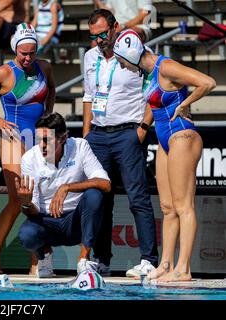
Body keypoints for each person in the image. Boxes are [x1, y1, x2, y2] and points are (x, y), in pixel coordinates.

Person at [113, 29, 216, 282]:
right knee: (168, 208)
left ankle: (184, 268)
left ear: (132, 55)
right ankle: (166, 264)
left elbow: (207, 82)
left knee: (184, 206)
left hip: (182, 136)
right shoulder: (148, 74)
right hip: (164, 140)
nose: (121, 66)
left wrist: (183, 104)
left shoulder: (166, 67)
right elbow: (155, 103)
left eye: (121, 60)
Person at [0, 23, 56, 275]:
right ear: (14, 50)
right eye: (23, 53)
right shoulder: (3, 73)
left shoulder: (45, 66)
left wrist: (48, 113)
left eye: (32, 53)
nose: (28, 58)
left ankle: (36, 260)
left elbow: (51, 88)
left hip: (40, 138)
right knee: (18, 198)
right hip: (13, 137)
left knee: (41, 198)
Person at [83, 9, 159, 278]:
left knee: (138, 198)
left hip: (128, 133)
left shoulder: (136, 50)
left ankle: (149, 259)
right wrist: (86, 135)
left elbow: (156, 88)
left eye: (103, 34)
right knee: (100, 200)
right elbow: (89, 97)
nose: (99, 40)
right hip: (99, 135)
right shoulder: (90, 57)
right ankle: (102, 260)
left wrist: (142, 127)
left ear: (115, 27)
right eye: (93, 36)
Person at [16, 113, 111, 277]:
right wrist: (26, 204)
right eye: (38, 139)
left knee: (95, 194)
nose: (42, 145)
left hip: (76, 222)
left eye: (47, 140)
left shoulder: (80, 146)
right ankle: (44, 256)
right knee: (27, 234)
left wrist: (67, 187)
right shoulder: (29, 159)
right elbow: (33, 211)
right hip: (46, 221)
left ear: (63, 138)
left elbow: (105, 183)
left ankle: (83, 260)